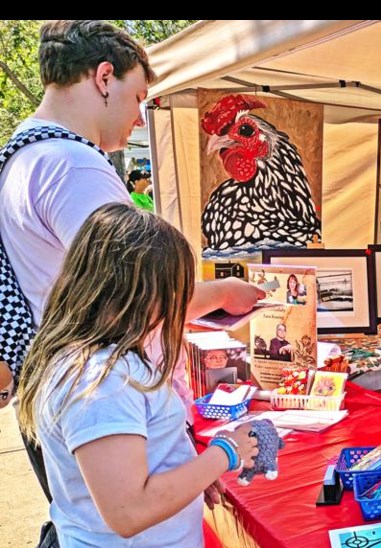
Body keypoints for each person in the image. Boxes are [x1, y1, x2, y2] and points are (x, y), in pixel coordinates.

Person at [0, 20, 265, 502]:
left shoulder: (27, 153)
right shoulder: (72, 165)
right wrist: (225, 293)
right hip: (107, 403)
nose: (140, 118)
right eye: (139, 97)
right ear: (104, 78)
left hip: (72, 396)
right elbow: (139, 299)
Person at [17, 203, 260, 548]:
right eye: (175, 290)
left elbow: (129, 462)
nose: (181, 303)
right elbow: (129, 510)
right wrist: (225, 452)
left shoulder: (90, 357)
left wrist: (189, 473)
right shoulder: (101, 381)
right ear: (140, 293)